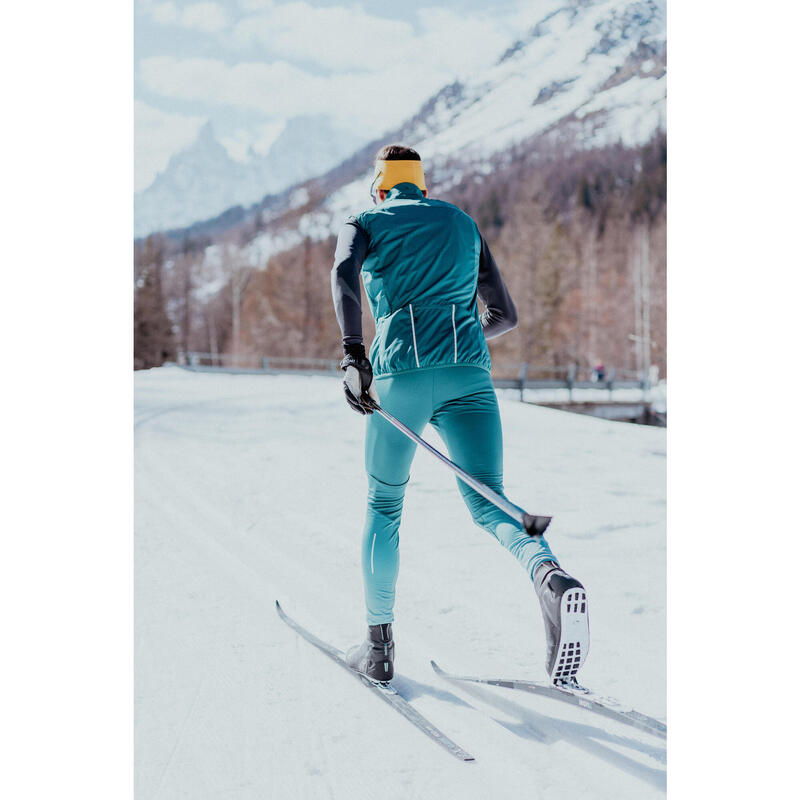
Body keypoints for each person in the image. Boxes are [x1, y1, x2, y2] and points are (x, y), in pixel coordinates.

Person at [330, 145, 589, 686]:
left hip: (400, 374)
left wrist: (355, 355)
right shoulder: (462, 222)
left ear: (380, 186)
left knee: (384, 505)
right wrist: (460, 336)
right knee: (489, 498)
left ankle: (378, 650)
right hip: (468, 374)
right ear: (420, 185)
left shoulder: (364, 221)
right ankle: (548, 571)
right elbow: (505, 315)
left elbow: (343, 275)